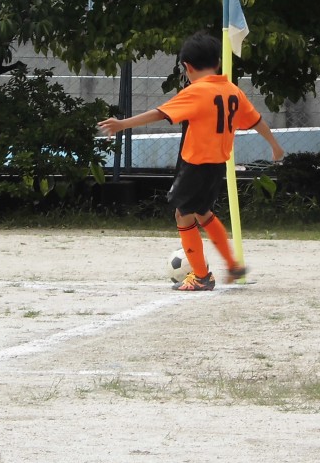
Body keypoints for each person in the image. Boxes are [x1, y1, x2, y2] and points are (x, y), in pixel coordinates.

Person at [98, 31, 285, 290]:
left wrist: (122, 124)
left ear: (187, 67)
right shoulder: (232, 91)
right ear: (218, 62)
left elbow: (160, 113)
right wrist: (275, 145)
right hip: (217, 164)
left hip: (195, 165)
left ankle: (201, 277)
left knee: (182, 215)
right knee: (202, 212)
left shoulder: (197, 91)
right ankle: (232, 264)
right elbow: (256, 121)